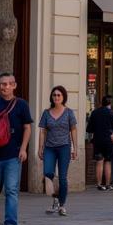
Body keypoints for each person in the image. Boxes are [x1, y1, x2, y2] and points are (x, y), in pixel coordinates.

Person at [0, 72, 32, 225]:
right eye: (2, 84)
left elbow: (27, 128)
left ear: (14, 85)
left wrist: (23, 149)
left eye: (8, 84)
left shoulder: (21, 105)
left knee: (11, 191)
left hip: (13, 154)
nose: (5, 87)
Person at [36, 85, 77, 216]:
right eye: (54, 95)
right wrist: (40, 147)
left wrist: (75, 148)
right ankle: (55, 199)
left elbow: (74, 130)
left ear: (63, 97)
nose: (56, 97)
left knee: (63, 178)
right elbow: (43, 131)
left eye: (59, 95)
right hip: (49, 148)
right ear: (51, 97)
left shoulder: (69, 112)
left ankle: (61, 205)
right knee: (48, 173)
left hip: (64, 147)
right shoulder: (46, 113)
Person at [87, 95, 113, 190]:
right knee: (108, 162)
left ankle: (99, 184)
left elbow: (89, 129)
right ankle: (108, 184)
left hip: (98, 140)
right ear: (110, 103)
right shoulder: (112, 113)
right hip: (109, 140)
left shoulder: (95, 113)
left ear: (101, 102)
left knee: (99, 162)